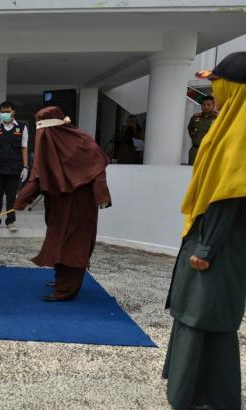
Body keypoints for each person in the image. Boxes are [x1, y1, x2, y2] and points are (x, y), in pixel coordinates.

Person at [162, 52, 246, 410]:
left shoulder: (241, 130)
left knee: (203, 312)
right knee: (195, 310)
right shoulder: (229, 121)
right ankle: (198, 390)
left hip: (219, 242)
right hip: (209, 234)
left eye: (217, 83)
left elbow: (230, 196)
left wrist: (206, 248)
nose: (213, 89)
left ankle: (202, 395)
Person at [13, 106, 111, 302]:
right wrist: (21, 200)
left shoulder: (83, 142)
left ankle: (66, 290)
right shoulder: (49, 145)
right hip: (58, 205)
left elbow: (96, 167)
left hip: (80, 206)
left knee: (74, 245)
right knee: (58, 241)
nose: (41, 137)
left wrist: (102, 194)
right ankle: (62, 279)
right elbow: (38, 176)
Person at [0, 101, 29, 232]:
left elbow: (24, 148)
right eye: (2, 112)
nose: (5, 114)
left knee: (11, 197)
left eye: (7, 111)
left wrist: (25, 167)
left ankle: (10, 221)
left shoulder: (21, 127)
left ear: (13, 112)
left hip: (14, 168)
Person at [187, 95, 218, 165]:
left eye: (208, 104)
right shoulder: (195, 117)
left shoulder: (218, 118)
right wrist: (196, 139)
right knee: (191, 172)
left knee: (208, 174)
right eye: (203, 105)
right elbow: (190, 129)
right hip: (195, 150)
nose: (206, 107)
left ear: (213, 105)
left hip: (210, 151)